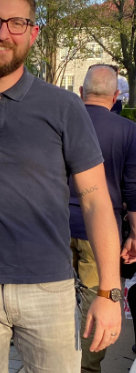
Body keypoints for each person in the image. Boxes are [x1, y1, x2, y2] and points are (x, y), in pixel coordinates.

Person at [0, 0, 122, 372]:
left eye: (16, 23)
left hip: (49, 288)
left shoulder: (63, 107)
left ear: (33, 33)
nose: (3, 33)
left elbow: (95, 200)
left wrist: (109, 292)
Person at [69, 64, 136, 373]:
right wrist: (133, 233)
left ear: (82, 93)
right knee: (99, 299)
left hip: (54, 226)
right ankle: (88, 366)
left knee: (54, 299)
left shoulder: (65, 123)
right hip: (100, 231)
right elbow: (132, 190)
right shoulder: (127, 130)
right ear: (115, 97)